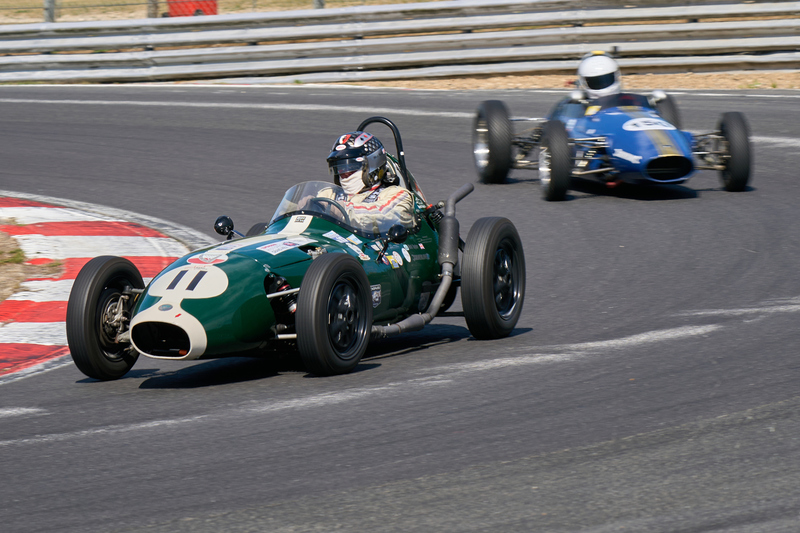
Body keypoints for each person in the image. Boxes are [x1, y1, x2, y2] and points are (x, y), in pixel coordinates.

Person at [326, 131, 415, 234]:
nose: (344, 173)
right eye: (339, 168)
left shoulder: (398, 194)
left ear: (373, 164)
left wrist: (342, 210)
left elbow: (384, 213)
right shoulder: (330, 193)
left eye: (351, 167)